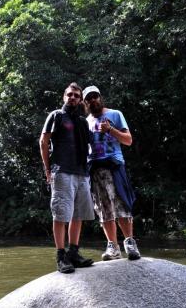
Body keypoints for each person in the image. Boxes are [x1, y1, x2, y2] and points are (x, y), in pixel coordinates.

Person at [39, 82, 95, 273]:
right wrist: (48, 169)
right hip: (62, 170)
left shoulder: (82, 122)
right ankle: (61, 256)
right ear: (64, 97)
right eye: (69, 94)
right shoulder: (56, 116)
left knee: (78, 215)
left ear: (80, 100)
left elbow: (90, 146)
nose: (72, 97)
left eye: (76, 96)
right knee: (61, 214)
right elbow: (43, 142)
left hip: (81, 172)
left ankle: (74, 253)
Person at [83, 85, 141, 260]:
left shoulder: (115, 114)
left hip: (115, 166)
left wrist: (110, 130)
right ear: (85, 103)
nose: (93, 100)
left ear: (101, 98)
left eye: (95, 97)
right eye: (89, 98)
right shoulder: (85, 122)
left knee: (122, 203)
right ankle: (113, 247)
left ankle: (130, 243)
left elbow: (128, 140)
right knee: (104, 208)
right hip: (95, 168)